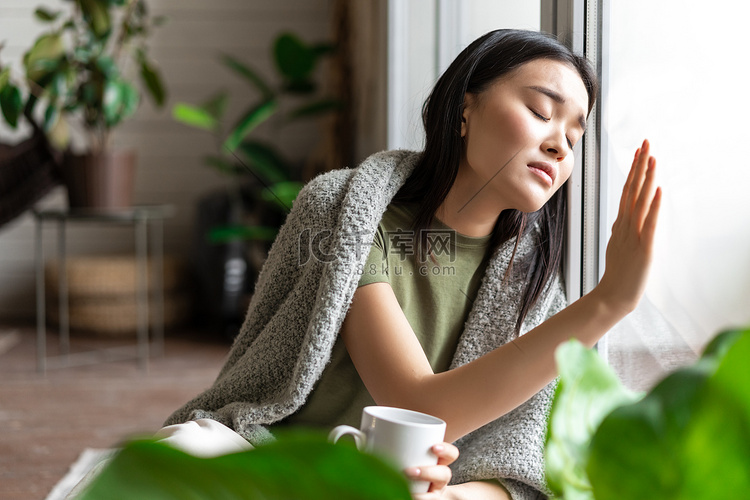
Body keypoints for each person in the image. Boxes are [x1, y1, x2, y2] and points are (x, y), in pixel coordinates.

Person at [163, 29, 661, 500]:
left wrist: (455, 494)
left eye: (573, 139)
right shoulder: (346, 213)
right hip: (269, 460)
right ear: (465, 108)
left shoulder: (536, 297)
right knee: (173, 458)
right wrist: (609, 301)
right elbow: (417, 406)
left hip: (398, 488)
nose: (558, 145)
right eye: (539, 111)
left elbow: (520, 466)